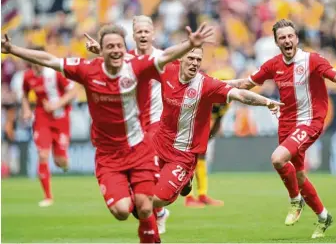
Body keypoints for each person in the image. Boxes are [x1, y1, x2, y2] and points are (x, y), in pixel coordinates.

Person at [1, 22, 214, 243]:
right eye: (110, 46)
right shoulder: (87, 70)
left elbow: (165, 56)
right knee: (122, 211)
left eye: (119, 46)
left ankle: (151, 235)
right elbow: (49, 60)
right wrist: (13, 50)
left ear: (125, 48)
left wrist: (190, 44)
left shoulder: (136, 66)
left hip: (139, 151)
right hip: (109, 157)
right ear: (101, 51)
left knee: (145, 205)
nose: (115, 50)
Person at [226, 19, 336, 239]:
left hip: (310, 121)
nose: (287, 40)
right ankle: (323, 217)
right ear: (277, 42)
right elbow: (247, 83)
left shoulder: (312, 60)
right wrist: (216, 84)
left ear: (296, 38)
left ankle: (295, 200)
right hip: (286, 124)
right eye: (282, 38)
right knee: (301, 176)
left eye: (290, 36)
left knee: (278, 159)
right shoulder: (273, 65)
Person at [150, 46, 284, 211]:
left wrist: (267, 102)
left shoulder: (205, 84)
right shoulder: (167, 71)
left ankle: (183, 183)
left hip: (182, 154)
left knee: (154, 200)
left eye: (198, 60)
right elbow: (140, 70)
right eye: (191, 58)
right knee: (138, 193)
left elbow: (240, 95)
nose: (194, 63)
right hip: (158, 144)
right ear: (180, 59)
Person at [85, 15, 171, 234]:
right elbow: (109, 65)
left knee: (152, 177)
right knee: (143, 190)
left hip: (158, 122)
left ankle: (157, 206)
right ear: (133, 35)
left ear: (153, 33)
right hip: (136, 127)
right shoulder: (127, 58)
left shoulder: (163, 58)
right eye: (138, 31)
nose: (142, 35)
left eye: (146, 31)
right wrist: (100, 51)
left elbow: (186, 78)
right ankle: (153, 212)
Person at [22, 47, 77, 207]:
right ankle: (48, 197)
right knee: (43, 154)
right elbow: (24, 94)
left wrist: (57, 104)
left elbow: (72, 92)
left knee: (60, 161)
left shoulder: (54, 73)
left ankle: (65, 162)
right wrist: (26, 109)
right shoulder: (28, 76)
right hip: (41, 118)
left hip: (61, 118)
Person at [184, 69, 234, 208]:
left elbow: (218, 120)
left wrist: (207, 139)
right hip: (187, 130)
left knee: (201, 159)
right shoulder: (203, 97)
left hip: (202, 131)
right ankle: (188, 198)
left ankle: (202, 195)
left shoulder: (226, 102)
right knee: (188, 161)